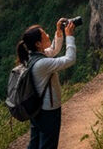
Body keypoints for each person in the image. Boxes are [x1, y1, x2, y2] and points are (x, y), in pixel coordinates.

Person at [15, 19, 77, 149]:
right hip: (48, 110)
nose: (48, 35)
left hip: (36, 108)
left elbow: (53, 49)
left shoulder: (31, 56)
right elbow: (70, 59)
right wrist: (70, 36)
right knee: (48, 144)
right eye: (45, 35)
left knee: (35, 143)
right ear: (38, 44)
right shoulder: (41, 64)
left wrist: (59, 32)